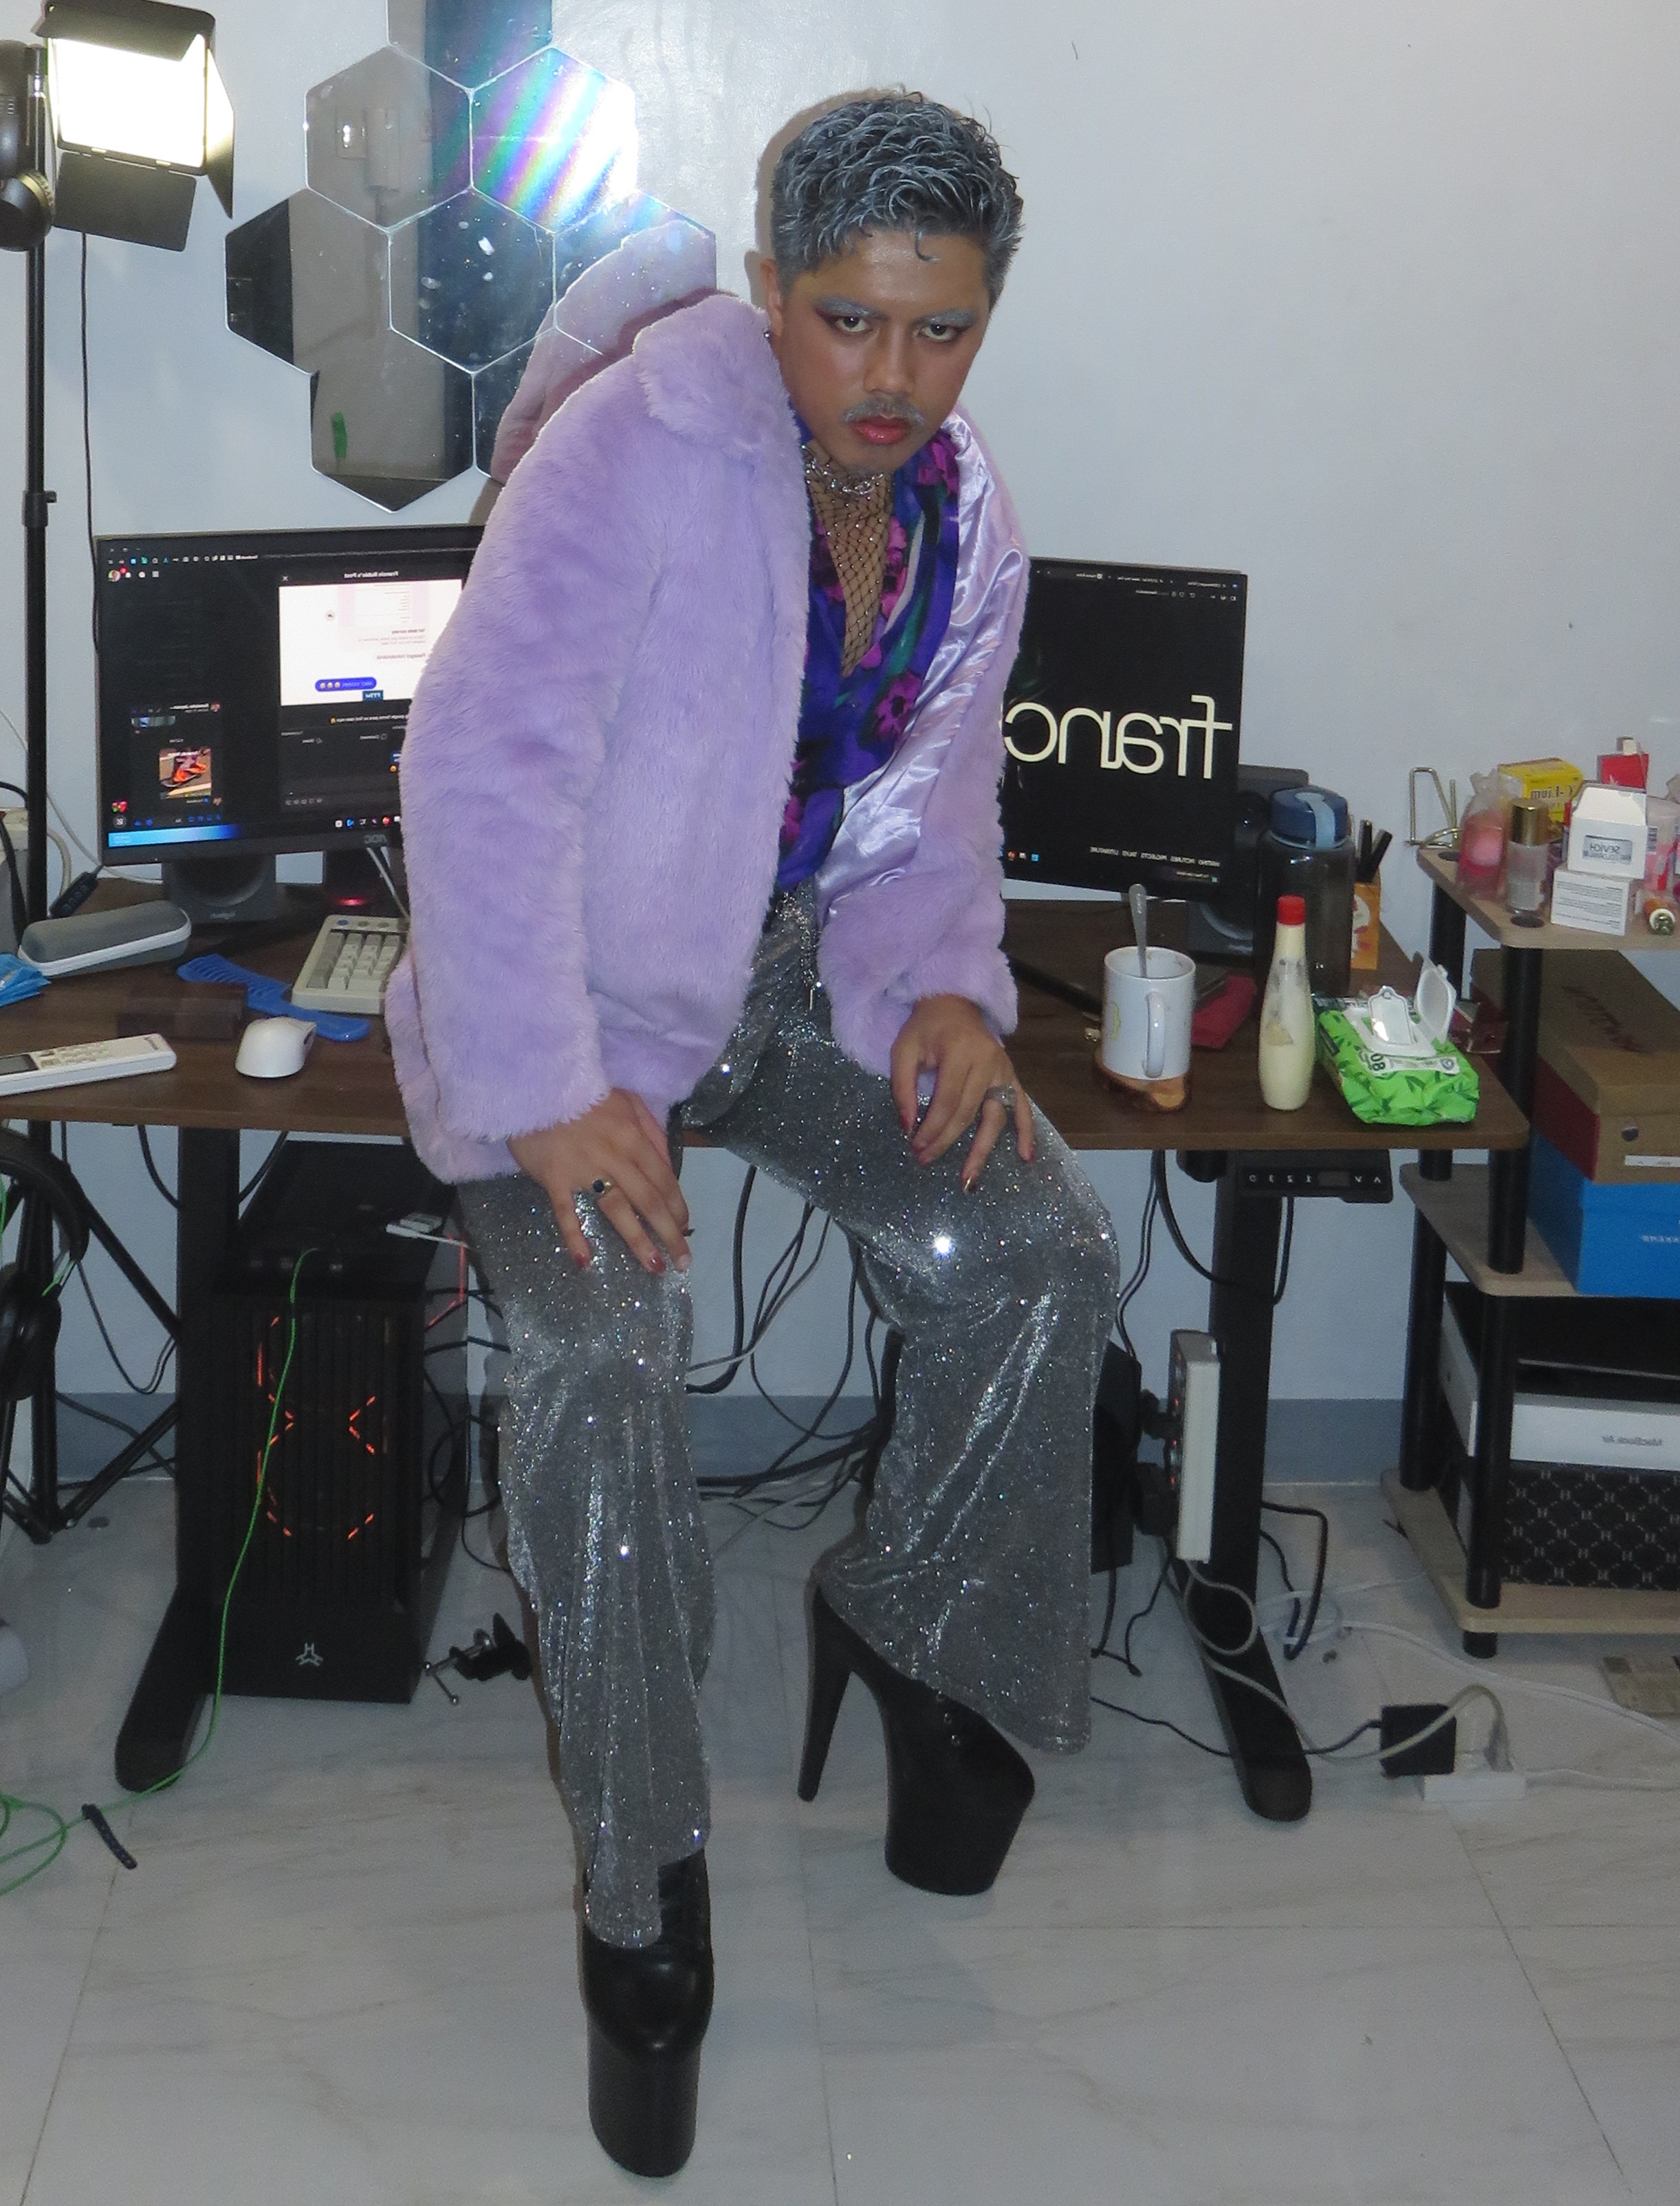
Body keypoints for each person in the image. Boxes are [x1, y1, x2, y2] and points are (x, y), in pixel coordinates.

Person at [387, 93, 1121, 2178]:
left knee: (1037, 1249)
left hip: (793, 985)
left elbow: (929, 803)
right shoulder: (636, 447)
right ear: (776, 289)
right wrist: (544, 1089)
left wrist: (950, 988)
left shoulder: (966, 513)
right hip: (583, 1012)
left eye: (943, 330)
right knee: (603, 1361)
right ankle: (645, 1878)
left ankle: (916, 1631)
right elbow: (484, 765)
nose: (894, 376)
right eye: (848, 320)